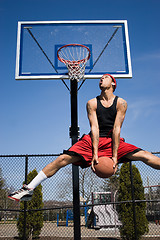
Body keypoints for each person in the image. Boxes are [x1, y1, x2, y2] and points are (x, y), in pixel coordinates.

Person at [8, 74, 160, 202]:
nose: (101, 79)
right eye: (100, 78)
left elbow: (117, 129)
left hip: (112, 140)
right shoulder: (92, 103)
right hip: (92, 140)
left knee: (144, 155)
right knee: (61, 160)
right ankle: (29, 188)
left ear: (113, 83)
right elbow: (94, 128)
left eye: (105, 77)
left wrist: (114, 157)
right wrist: (95, 154)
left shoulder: (121, 103)